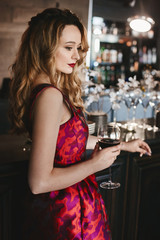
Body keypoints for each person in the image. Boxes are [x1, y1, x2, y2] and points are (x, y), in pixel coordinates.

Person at [9, 8, 151, 240]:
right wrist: (95, 165)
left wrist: (123, 145)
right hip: (66, 216)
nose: (76, 56)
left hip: (71, 208)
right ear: (45, 48)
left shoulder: (45, 91)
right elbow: (39, 182)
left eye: (78, 48)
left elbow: (68, 140)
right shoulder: (50, 96)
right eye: (68, 48)